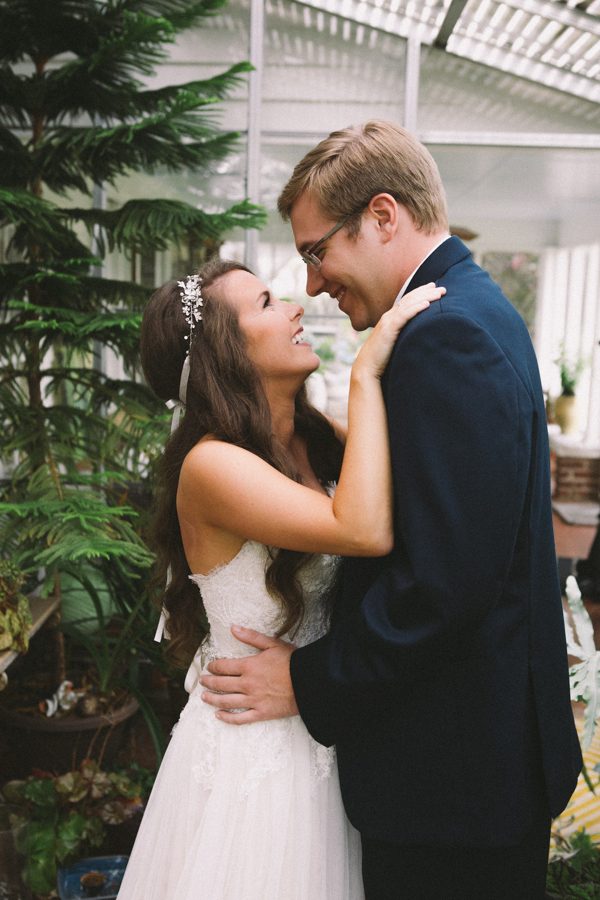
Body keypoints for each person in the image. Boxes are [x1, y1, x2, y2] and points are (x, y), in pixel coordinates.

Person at [199, 121, 583, 900]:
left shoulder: (445, 338)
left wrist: (308, 681)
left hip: (454, 787)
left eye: (315, 252)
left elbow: (440, 587)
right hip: (468, 773)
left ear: (382, 216)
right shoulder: (466, 313)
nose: (311, 286)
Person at [116, 256, 443, 900]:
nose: (295, 306)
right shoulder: (212, 467)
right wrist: (367, 371)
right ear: (224, 354)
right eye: (266, 303)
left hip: (319, 725)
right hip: (254, 751)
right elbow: (364, 529)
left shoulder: (308, 439)